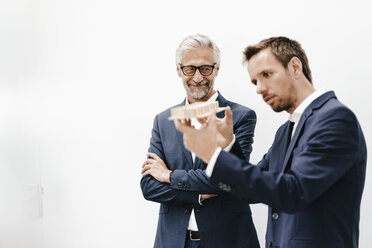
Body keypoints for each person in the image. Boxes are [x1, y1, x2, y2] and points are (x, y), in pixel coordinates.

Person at [175, 36, 367, 248]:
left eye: (266, 75)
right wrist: (228, 145)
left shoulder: (335, 118)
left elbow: (293, 192)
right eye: (255, 81)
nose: (259, 88)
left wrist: (213, 155)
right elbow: (249, 190)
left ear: (295, 67)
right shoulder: (285, 131)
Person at [140, 34, 260, 248]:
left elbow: (230, 179)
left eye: (205, 68)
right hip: (174, 242)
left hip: (229, 241)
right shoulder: (163, 121)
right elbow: (149, 186)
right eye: (189, 69)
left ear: (216, 69)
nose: (197, 77)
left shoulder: (241, 117)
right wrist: (199, 196)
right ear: (178, 70)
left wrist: (168, 176)